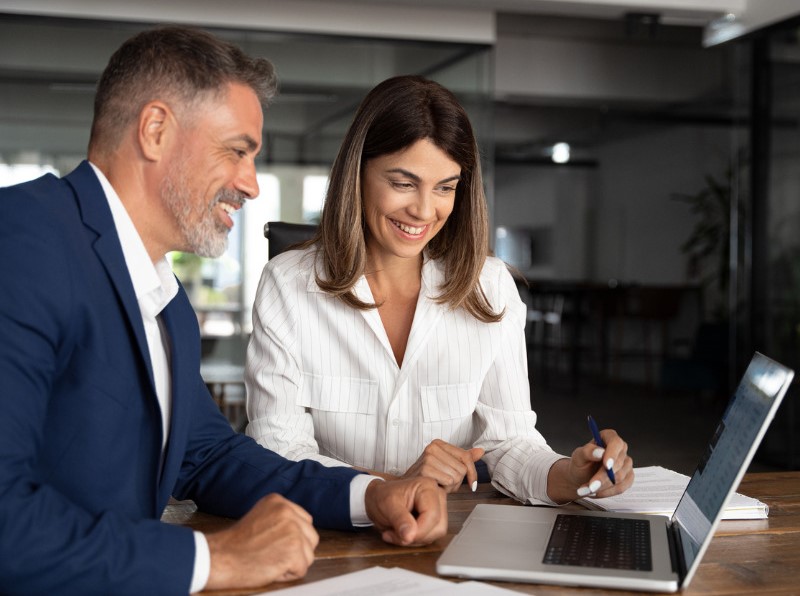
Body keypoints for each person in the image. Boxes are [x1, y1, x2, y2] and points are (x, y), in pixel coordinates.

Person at [0, 28, 447, 595]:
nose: (251, 185)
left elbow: (209, 457)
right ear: (155, 130)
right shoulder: (21, 240)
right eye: (237, 150)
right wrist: (209, 559)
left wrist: (371, 495)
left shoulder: (166, 303)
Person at [245, 75, 634, 506]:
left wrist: (569, 474)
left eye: (445, 187)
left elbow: (508, 444)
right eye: (403, 183)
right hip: (323, 536)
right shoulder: (288, 284)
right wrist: (390, 485)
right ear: (357, 173)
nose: (424, 210)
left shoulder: (490, 288)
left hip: (438, 538)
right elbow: (277, 454)